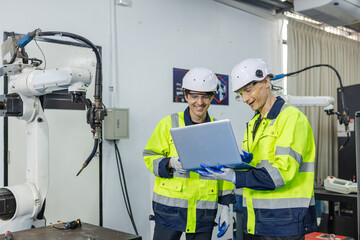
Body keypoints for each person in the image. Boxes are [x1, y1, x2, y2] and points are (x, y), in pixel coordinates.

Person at [198, 58, 317, 240]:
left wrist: (234, 176)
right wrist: (237, 164)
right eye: (240, 94)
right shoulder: (254, 123)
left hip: (284, 222)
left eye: (248, 90)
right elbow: (257, 168)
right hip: (255, 220)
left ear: (266, 81)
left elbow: (281, 173)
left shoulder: (291, 119)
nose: (245, 99)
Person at [143, 67, 236, 240]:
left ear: (212, 97)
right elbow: (150, 156)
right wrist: (171, 163)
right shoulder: (168, 124)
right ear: (185, 96)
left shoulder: (219, 130)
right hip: (169, 211)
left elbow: (226, 170)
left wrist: (226, 207)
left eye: (205, 96)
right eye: (194, 95)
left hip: (204, 213)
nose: (199, 102)